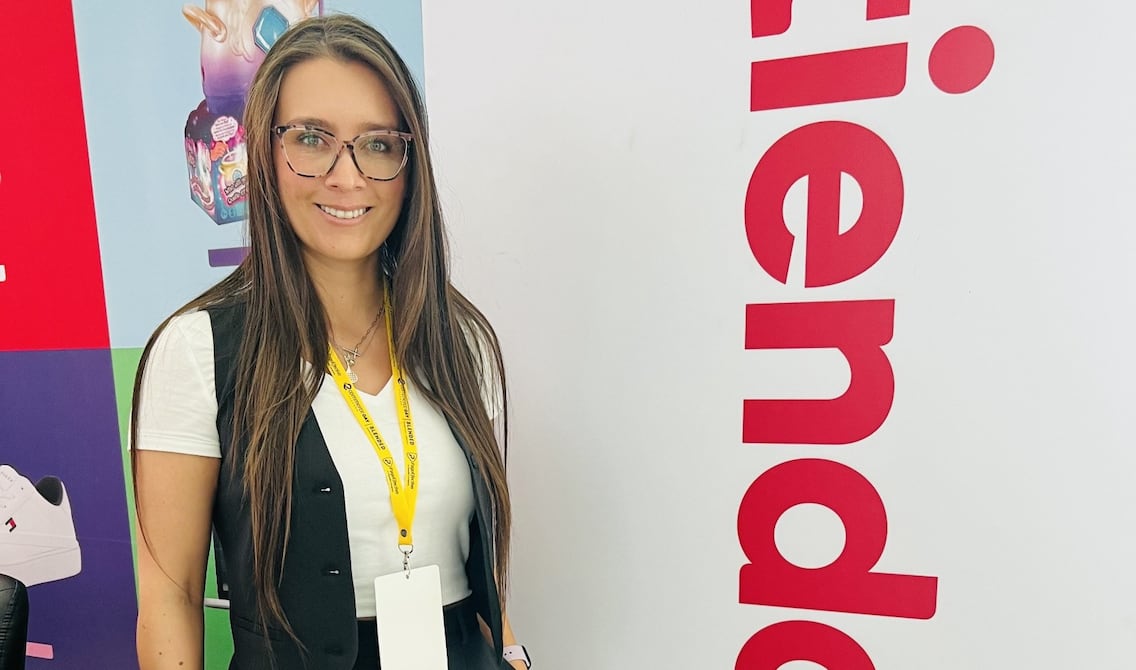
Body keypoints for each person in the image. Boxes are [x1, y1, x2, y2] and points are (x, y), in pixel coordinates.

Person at [130, 14, 531, 670]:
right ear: (265, 151)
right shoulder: (197, 351)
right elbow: (170, 602)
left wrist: (516, 655)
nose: (348, 177)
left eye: (378, 144)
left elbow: (485, 577)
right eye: (312, 139)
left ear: (409, 163)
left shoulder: (461, 340)